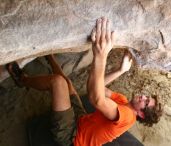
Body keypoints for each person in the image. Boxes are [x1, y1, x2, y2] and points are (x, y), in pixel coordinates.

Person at [6, 17, 162, 146]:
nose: (143, 97)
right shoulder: (123, 101)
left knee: (58, 83)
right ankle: (50, 56)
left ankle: (22, 80)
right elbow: (95, 89)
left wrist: (101, 55)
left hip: (72, 137)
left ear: (141, 114)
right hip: (81, 120)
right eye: (147, 97)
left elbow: (96, 99)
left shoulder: (127, 116)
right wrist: (120, 71)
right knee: (68, 85)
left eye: (146, 102)